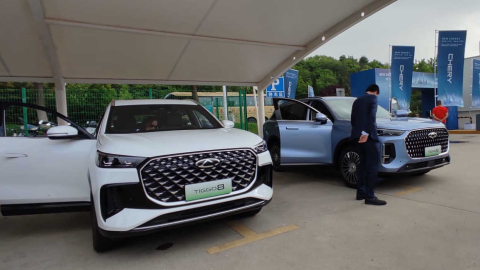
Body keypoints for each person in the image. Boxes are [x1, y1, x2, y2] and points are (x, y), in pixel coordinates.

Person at [351, 84, 387, 206]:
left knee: (362, 165)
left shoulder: (356, 101)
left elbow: (353, 120)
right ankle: (370, 197)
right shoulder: (373, 98)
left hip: (356, 136)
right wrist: (365, 133)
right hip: (368, 137)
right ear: (376, 92)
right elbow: (371, 117)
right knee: (373, 166)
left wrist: (359, 133)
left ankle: (360, 193)